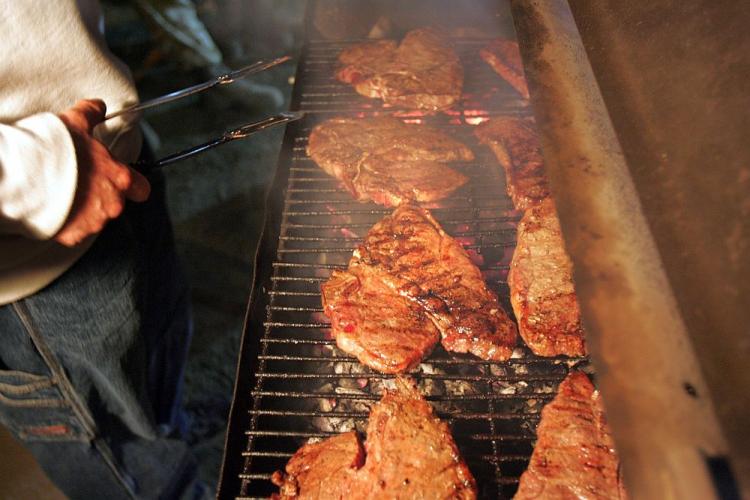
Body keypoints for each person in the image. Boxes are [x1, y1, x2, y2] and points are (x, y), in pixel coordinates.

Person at [0, 1, 203, 498]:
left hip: (112, 148)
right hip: (35, 254)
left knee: (157, 350)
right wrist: (35, 177)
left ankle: (167, 427)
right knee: (119, 452)